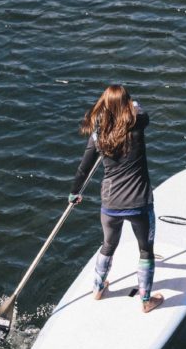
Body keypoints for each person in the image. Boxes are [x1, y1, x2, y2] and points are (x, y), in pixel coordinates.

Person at [69, 84, 163, 313]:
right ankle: (146, 302)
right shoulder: (137, 125)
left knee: (108, 245)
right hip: (139, 204)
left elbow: (83, 169)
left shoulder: (98, 135)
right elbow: (140, 111)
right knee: (145, 250)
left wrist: (74, 193)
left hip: (110, 205)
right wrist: (133, 105)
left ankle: (98, 289)